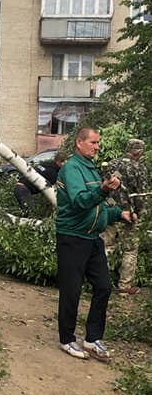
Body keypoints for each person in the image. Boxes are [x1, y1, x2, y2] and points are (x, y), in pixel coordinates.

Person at [55, 127, 135, 361]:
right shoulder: (72, 169)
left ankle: (92, 338)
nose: (97, 147)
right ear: (79, 143)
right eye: (93, 142)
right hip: (72, 238)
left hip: (92, 238)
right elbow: (81, 202)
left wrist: (119, 214)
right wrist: (102, 190)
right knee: (71, 290)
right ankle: (67, 339)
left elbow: (98, 208)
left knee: (103, 286)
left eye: (98, 143)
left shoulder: (91, 168)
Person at [102, 139, 148, 296]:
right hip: (129, 215)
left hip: (109, 212)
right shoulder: (139, 168)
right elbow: (141, 195)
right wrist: (138, 213)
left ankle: (100, 283)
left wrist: (110, 206)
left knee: (107, 246)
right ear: (139, 152)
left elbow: (105, 188)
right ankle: (124, 286)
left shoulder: (113, 165)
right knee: (130, 250)